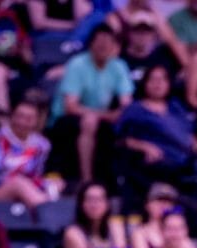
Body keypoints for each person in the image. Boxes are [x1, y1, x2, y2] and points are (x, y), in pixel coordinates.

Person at [51, 24, 135, 183]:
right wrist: (108, 115)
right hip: (66, 120)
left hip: (101, 119)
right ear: (91, 44)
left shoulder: (118, 66)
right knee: (90, 120)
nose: (103, 46)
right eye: (99, 42)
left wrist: (120, 113)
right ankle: (86, 180)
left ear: (113, 46)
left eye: (107, 42)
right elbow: (71, 107)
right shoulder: (77, 64)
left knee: (132, 120)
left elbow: (126, 102)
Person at [116, 63, 197, 203]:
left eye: (162, 80)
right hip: (156, 163)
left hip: (186, 159)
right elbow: (119, 138)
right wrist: (142, 146)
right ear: (145, 83)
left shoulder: (175, 107)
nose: (158, 84)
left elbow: (187, 132)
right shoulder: (135, 109)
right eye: (153, 79)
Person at [0, 98, 53, 210]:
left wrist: (49, 183)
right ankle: (47, 213)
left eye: (28, 118)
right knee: (18, 183)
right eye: (19, 116)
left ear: (37, 120)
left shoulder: (42, 145)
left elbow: (37, 175)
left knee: (51, 185)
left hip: (26, 192)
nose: (22, 122)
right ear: (12, 116)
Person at [62, 182, 128, 248]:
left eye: (99, 199)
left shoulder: (115, 226)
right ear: (81, 204)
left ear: (107, 204)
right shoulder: (72, 233)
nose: (94, 204)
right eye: (89, 200)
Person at [130, 182, 180, 248]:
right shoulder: (140, 233)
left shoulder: (178, 231)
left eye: (168, 201)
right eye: (159, 200)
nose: (164, 205)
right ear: (147, 205)